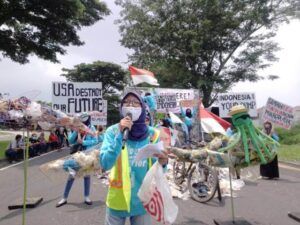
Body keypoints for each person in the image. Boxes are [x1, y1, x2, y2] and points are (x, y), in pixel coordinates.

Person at [100, 91, 168, 225]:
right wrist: (120, 134)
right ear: (121, 107)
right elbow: (105, 163)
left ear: (142, 107)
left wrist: (163, 162)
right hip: (117, 200)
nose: (130, 105)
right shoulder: (112, 131)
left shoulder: (153, 134)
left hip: (142, 201)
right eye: (126, 102)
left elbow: (158, 171)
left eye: (135, 102)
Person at [56, 113, 98, 207]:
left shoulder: (92, 128)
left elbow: (95, 140)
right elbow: (70, 140)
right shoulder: (77, 127)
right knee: (71, 175)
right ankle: (64, 198)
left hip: (87, 155)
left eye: (85, 120)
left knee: (87, 176)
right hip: (76, 155)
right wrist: (77, 131)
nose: (83, 122)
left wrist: (84, 142)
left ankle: (86, 197)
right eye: (81, 120)